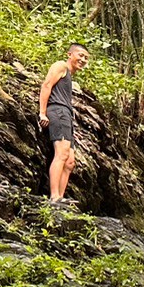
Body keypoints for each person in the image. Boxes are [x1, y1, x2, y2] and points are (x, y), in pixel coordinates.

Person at [39, 44, 90, 202]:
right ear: (70, 54)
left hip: (66, 115)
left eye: (86, 58)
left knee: (70, 162)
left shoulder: (69, 75)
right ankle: (54, 197)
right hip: (58, 112)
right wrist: (42, 112)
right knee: (61, 154)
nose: (82, 60)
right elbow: (46, 85)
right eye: (80, 55)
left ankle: (60, 197)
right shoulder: (61, 66)